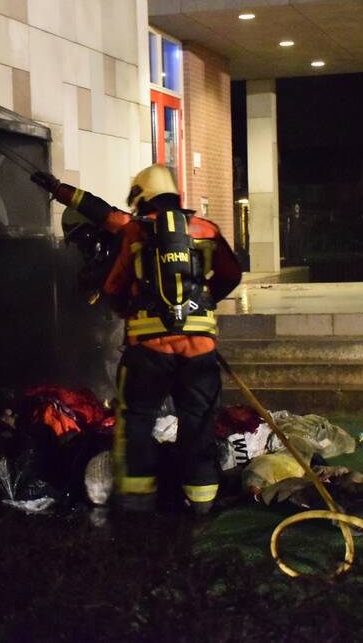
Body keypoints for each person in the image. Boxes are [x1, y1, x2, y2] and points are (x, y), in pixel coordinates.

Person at [32, 165, 241, 514]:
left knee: (138, 420)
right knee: (200, 420)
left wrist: (130, 313)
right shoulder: (206, 229)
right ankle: (201, 502)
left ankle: (136, 503)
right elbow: (231, 274)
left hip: (149, 349)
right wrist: (200, 308)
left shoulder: (135, 231)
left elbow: (113, 284)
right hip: (200, 347)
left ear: (142, 196)